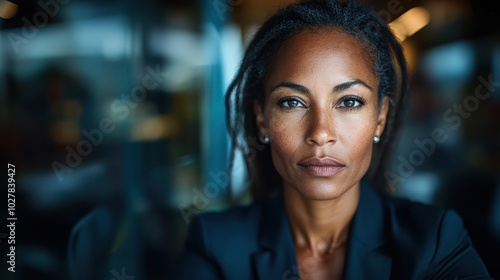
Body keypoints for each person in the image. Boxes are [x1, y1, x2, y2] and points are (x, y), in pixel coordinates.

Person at [176, 0, 492, 279]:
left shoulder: (435, 241)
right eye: (292, 102)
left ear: (380, 117)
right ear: (262, 119)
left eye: (349, 102)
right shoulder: (215, 244)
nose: (321, 133)